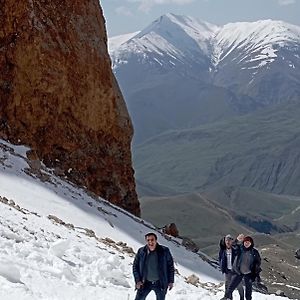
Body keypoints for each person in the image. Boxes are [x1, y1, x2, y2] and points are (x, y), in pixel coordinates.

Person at [133, 232, 175, 300]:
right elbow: (135, 266)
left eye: (152, 240)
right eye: (148, 240)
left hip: (160, 283)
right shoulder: (141, 251)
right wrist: (138, 281)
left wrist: (171, 281)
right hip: (144, 283)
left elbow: (170, 266)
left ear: (156, 240)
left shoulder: (164, 251)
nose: (150, 242)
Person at [224, 236, 261, 300]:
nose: (247, 244)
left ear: (251, 243)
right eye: (245, 242)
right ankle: (227, 298)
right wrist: (237, 240)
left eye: (248, 242)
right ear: (243, 242)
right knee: (230, 287)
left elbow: (258, 262)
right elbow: (232, 245)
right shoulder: (239, 249)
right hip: (238, 272)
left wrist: (255, 272)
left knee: (248, 291)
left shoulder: (254, 252)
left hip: (249, 273)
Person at [219, 234, 244, 300]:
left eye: (229, 240)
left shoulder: (235, 249)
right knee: (227, 284)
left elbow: (238, 247)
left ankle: (242, 298)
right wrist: (222, 267)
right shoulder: (223, 250)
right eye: (226, 240)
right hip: (228, 271)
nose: (227, 242)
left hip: (236, 271)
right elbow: (220, 258)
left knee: (239, 285)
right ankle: (228, 297)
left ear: (232, 241)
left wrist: (237, 240)